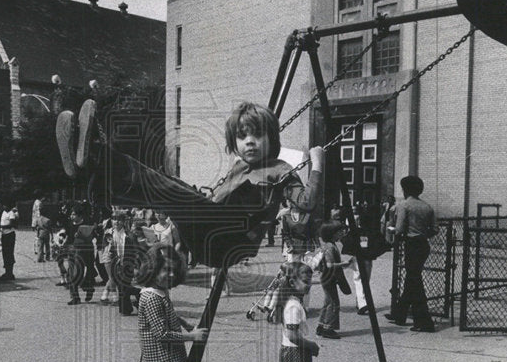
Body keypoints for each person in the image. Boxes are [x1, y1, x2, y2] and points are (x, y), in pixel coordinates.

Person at [56, 99, 324, 270]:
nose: (249, 141)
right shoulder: (241, 166)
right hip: (213, 228)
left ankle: (99, 153)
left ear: (271, 139)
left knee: (171, 192)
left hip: (230, 242)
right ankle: (89, 172)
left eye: (257, 135)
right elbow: (218, 198)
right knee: (165, 186)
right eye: (242, 137)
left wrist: (317, 163)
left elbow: (307, 202)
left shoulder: (280, 170)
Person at [135, 244, 208, 362]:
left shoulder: (160, 291)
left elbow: (168, 314)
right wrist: (192, 336)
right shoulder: (152, 298)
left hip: (165, 359)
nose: (172, 274)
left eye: (174, 270)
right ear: (152, 269)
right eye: (166, 269)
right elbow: (161, 334)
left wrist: (186, 325)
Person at [386, 175, 437, 332]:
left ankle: (424, 322)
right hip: (423, 245)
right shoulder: (427, 207)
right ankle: (399, 314)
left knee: (415, 283)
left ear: (405, 189)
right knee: (412, 279)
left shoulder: (404, 205)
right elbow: (435, 229)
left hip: (411, 245)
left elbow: (400, 229)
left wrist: (390, 228)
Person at [273, 261, 321, 362]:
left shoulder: (295, 301)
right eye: (305, 282)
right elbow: (292, 335)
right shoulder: (293, 306)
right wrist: (311, 345)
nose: (309, 286)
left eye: (310, 282)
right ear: (293, 283)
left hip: (296, 350)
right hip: (293, 351)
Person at [312, 221, 351, 340]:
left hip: (327, 277)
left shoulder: (331, 245)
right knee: (334, 303)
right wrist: (343, 264)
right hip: (329, 277)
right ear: (332, 234)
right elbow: (329, 265)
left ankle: (321, 325)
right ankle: (328, 328)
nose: (342, 233)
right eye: (339, 232)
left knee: (328, 302)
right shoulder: (330, 246)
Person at [111, 211, 141, 315]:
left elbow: (135, 250)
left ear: (123, 222)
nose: (116, 222)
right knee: (120, 286)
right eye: (114, 219)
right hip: (116, 264)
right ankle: (126, 308)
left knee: (124, 286)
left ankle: (140, 294)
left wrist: (135, 265)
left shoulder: (128, 235)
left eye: (119, 220)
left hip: (128, 264)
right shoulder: (111, 233)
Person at [66, 203, 96, 304]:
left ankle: (88, 288)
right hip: (72, 250)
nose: (71, 216)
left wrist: (82, 236)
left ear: (80, 216)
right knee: (72, 274)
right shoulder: (69, 224)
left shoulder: (87, 223)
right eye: (71, 214)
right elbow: (67, 237)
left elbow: (92, 236)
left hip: (85, 251)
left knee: (81, 273)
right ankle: (75, 297)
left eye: (74, 214)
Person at [0, 198, 19, 281]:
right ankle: (7, 272)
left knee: (9, 253)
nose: (4, 206)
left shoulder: (11, 213)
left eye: (5, 205)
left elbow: (11, 225)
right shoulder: (3, 212)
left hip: (9, 235)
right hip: (4, 234)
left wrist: (1, 226)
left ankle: (10, 273)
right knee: (5, 253)